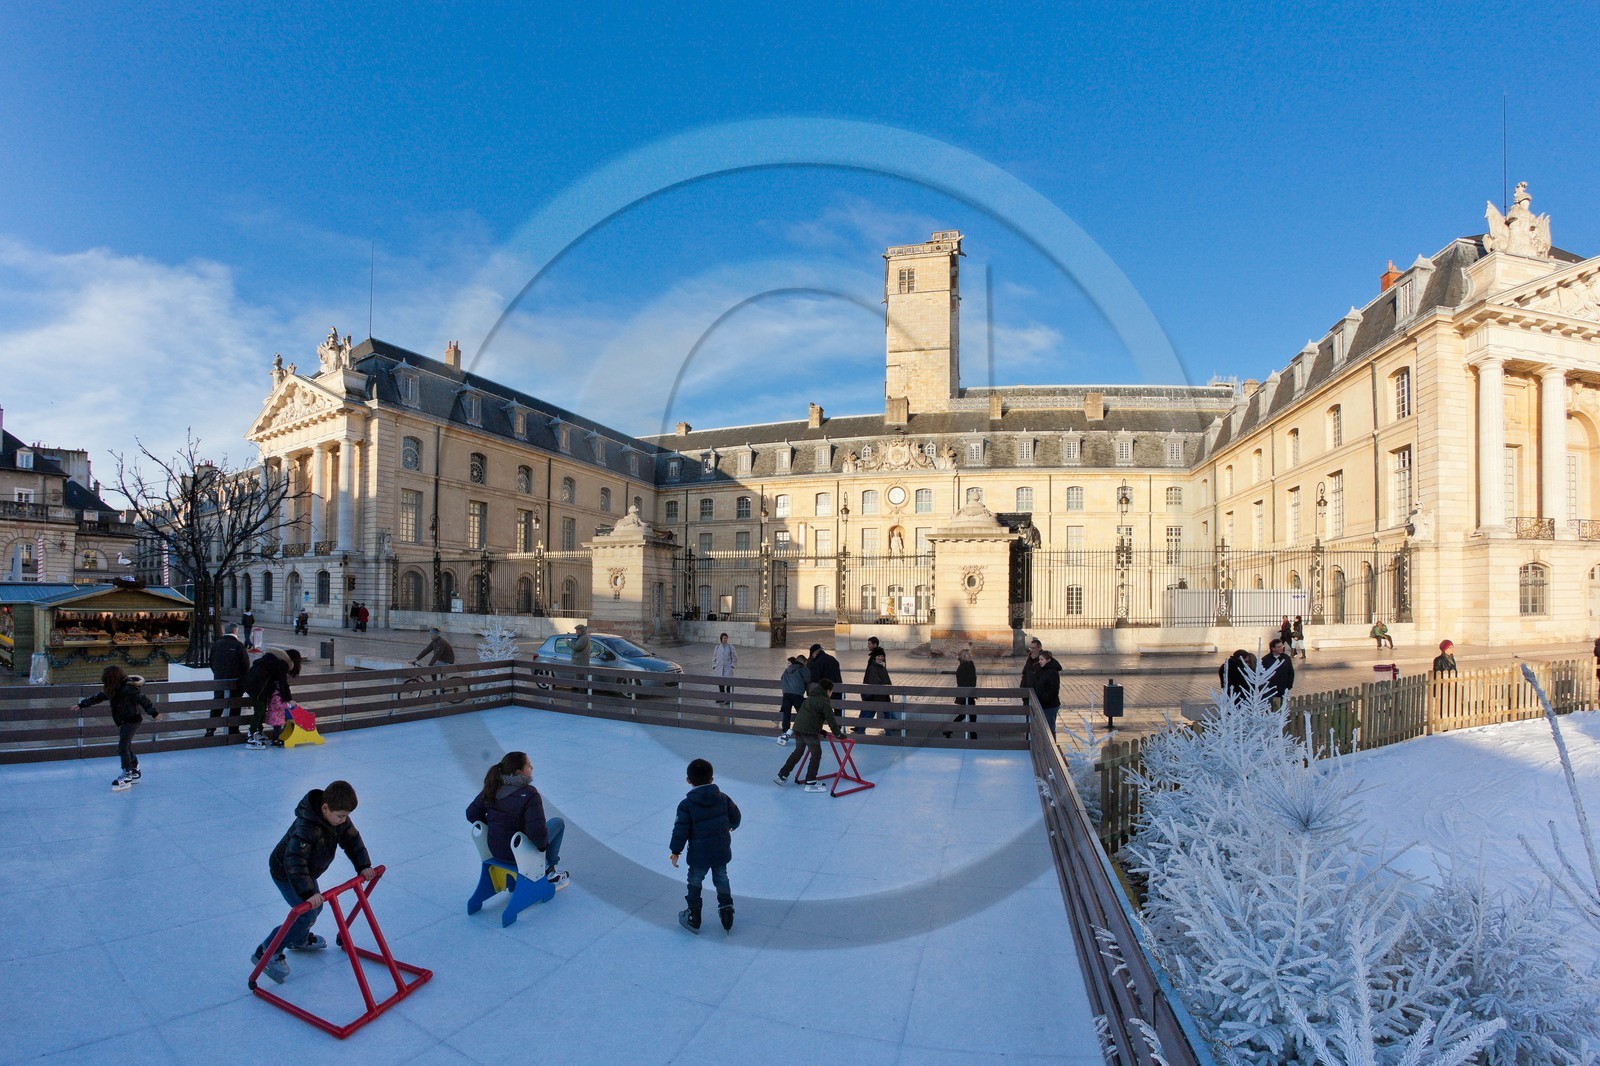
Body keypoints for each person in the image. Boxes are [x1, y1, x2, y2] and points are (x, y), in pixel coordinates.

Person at [251, 780, 376, 985]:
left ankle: (298, 939)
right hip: (287, 872)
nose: (343, 820)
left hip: (307, 872)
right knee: (306, 911)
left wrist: (363, 866)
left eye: (346, 816)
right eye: (340, 816)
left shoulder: (339, 819)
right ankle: (266, 951)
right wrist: (308, 892)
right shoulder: (306, 826)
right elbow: (294, 861)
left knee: (315, 911)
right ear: (325, 808)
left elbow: (352, 840)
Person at [465, 751, 569, 889]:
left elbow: (471, 814)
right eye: (529, 765)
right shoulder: (530, 793)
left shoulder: (492, 787)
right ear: (519, 772)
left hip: (495, 850)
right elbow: (536, 832)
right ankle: (549, 870)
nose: (532, 768)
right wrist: (541, 849)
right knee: (558, 823)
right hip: (519, 854)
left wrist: (494, 826)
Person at [670, 758, 741, 934]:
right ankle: (726, 908)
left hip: (699, 854)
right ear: (711, 780)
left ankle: (694, 915)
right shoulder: (723, 798)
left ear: (688, 780)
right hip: (720, 850)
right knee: (721, 877)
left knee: (695, 880)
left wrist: (675, 851)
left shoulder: (686, 805)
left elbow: (681, 830)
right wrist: (732, 825)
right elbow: (736, 816)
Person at [76, 665, 160, 791]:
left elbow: (143, 700)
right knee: (126, 746)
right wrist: (82, 704)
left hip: (132, 720)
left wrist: (154, 713)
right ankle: (135, 769)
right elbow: (98, 697)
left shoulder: (128, 689)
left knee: (122, 747)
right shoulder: (113, 689)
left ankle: (127, 774)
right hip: (124, 720)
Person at [775, 679, 842, 792]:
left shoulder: (810, 697)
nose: (831, 694)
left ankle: (782, 775)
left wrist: (821, 731)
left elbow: (809, 716)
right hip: (809, 732)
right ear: (827, 691)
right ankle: (810, 782)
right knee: (816, 753)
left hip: (798, 728)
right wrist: (838, 734)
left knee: (798, 751)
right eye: (831, 691)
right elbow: (831, 719)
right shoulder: (824, 701)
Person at [245, 647, 302, 748]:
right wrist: (289, 699)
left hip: (252, 683)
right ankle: (252, 734)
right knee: (259, 710)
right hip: (258, 687)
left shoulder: (272, 660)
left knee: (261, 709)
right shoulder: (282, 664)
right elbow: (283, 683)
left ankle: (257, 732)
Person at [208, 622, 250, 738]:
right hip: (235, 682)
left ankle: (210, 729)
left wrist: (218, 673)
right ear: (235, 631)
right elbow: (245, 664)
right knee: (235, 705)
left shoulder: (217, 644)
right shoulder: (238, 645)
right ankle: (233, 730)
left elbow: (211, 661)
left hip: (220, 680)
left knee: (218, 703)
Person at [857, 644, 892, 733]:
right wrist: (885, 686)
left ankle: (889, 733)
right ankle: (861, 730)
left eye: (882, 656)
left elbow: (887, 680)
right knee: (872, 714)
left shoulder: (882, 666)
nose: (880, 658)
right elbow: (875, 682)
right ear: (875, 657)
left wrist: (888, 686)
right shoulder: (873, 668)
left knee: (885, 715)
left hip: (883, 696)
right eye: (878, 656)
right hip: (877, 696)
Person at [945, 646, 978, 740]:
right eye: (968, 654)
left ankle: (949, 731)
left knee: (964, 715)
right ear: (964, 656)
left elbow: (971, 680)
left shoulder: (966, 665)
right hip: (967, 694)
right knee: (972, 716)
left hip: (967, 694)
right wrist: (971, 692)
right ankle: (973, 737)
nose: (971, 655)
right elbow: (969, 681)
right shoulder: (966, 666)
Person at [776, 655, 809, 745]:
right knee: (802, 712)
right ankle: (803, 730)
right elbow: (808, 679)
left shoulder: (788, 669)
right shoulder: (802, 668)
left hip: (786, 693)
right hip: (797, 693)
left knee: (786, 713)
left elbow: (782, 678)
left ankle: (785, 731)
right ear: (803, 662)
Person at [1031, 649, 1062, 737]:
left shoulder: (1052, 672)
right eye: (1039, 659)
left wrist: (1043, 698)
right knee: (1042, 728)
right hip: (1042, 704)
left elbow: (1054, 690)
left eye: (1042, 659)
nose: (1040, 661)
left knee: (1049, 729)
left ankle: (1052, 748)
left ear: (1048, 660)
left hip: (1050, 705)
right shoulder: (1041, 669)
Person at [1260, 638, 1296, 711]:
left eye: (1282, 646)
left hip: (1283, 689)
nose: (1282, 648)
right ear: (1273, 648)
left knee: (1282, 709)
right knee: (1269, 710)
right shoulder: (1265, 660)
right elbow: (1262, 675)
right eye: (1279, 647)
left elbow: (1291, 672)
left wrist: (1289, 685)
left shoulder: (1286, 658)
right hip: (1270, 690)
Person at [712, 632, 737, 706]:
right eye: (724, 638)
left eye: (726, 638)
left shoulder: (730, 647)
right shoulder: (717, 647)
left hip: (728, 668)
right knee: (721, 684)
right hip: (719, 668)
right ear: (721, 639)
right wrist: (714, 666)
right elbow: (714, 657)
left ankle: (729, 698)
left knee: (728, 684)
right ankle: (722, 698)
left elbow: (734, 657)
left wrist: (732, 665)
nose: (725, 639)